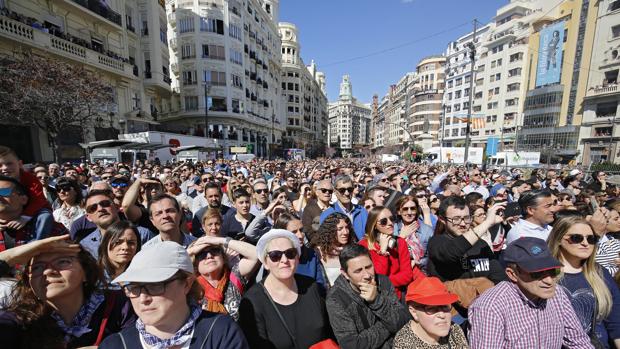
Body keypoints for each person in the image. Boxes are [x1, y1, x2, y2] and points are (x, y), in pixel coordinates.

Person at [100, 241, 249, 348]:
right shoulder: (115, 344)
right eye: (133, 287)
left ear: (186, 284)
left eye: (155, 285)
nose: (143, 298)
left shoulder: (221, 332)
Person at [0, 235, 135, 348]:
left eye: (62, 262)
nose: (48, 271)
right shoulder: (19, 320)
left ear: (85, 272)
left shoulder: (120, 306)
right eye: (36, 268)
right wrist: (9, 257)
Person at [468, 237, 592, 348]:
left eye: (553, 271)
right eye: (537, 273)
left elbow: (578, 341)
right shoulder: (491, 307)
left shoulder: (557, 294)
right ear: (512, 274)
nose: (549, 281)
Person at [238, 229, 332, 349]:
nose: (284, 260)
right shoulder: (253, 302)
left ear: (297, 258)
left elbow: (329, 332)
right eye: (275, 256)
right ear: (265, 263)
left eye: (290, 253)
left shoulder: (312, 287)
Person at [547, 216, 620, 348]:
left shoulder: (599, 272)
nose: (585, 243)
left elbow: (616, 320)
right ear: (558, 239)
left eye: (591, 239)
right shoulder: (544, 275)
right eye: (577, 238)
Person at [326, 244, 409, 349]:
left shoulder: (383, 281)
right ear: (345, 274)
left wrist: (377, 300)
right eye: (358, 271)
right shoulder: (336, 299)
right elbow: (353, 345)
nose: (367, 275)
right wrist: (389, 324)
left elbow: (403, 322)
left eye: (369, 267)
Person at [188, 234, 259, 321]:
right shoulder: (190, 287)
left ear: (223, 257)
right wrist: (190, 252)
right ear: (195, 264)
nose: (209, 256)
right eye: (201, 254)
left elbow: (256, 254)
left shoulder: (235, 275)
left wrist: (220, 240)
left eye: (215, 250)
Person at [359, 206, 418, 299]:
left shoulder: (400, 242)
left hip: (396, 297)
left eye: (392, 219)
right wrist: (382, 252)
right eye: (383, 221)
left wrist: (382, 282)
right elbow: (374, 276)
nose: (390, 223)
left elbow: (407, 276)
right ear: (374, 225)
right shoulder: (363, 245)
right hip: (375, 298)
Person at [393, 277, 468, 349]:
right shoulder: (404, 344)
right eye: (431, 309)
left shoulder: (454, 329)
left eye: (445, 306)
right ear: (414, 312)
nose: (442, 315)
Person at [80, 189, 153, 259]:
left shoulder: (142, 234)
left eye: (105, 204)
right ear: (88, 217)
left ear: (117, 207)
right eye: (93, 208)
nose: (100, 209)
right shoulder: (85, 245)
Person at [273, 212, 326, 291]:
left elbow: (321, 286)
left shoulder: (311, 254)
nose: (300, 236)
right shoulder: (274, 258)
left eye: (301, 230)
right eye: (294, 232)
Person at [313, 212, 356, 288]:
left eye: (347, 227)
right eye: (340, 229)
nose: (345, 232)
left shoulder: (353, 250)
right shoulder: (318, 253)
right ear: (330, 231)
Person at [320, 175, 368, 240]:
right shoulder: (327, 215)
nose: (347, 193)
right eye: (342, 190)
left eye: (350, 189)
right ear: (335, 191)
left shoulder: (362, 211)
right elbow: (325, 240)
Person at [393, 195, 434, 270]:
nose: (409, 212)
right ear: (399, 211)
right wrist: (401, 237)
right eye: (405, 209)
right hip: (400, 270)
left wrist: (418, 262)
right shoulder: (393, 229)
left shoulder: (427, 230)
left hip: (422, 271)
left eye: (412, 208)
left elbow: (432, 256)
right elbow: (391, 254)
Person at [97, 220, 142, 287]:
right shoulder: (93, 277)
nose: (125, 247)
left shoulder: (142, 276)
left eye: (131, 242)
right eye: (117, 242)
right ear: (105, 244)